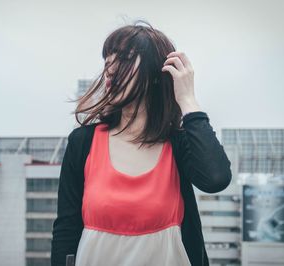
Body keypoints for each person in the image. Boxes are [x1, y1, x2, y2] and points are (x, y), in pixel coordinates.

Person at [51, 20, 232, 266]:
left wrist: (188, 100)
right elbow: (66, 230)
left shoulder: (176, 144)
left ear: (156, 73)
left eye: (124, 59)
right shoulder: (83, 142)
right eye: (107, 63)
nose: (110, 71)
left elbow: (216, 179)